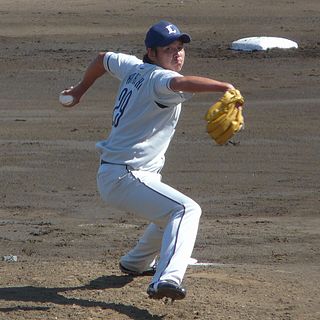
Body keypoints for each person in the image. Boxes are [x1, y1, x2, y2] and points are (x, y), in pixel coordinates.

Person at [60, 20, 236, 300]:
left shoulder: (133, 68)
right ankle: (166, 279)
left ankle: (136, 262)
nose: (177, 54)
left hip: (122, 174)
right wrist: (223, 87)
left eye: (180, 48)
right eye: (169, 49)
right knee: (186, 210)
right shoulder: (158, 80)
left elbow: (103, 59)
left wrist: (80, 89)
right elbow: (180, 82)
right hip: (127, 175)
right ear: (151, 53)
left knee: (167, 212)